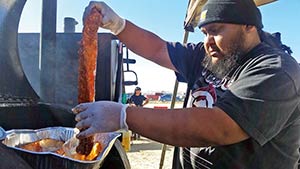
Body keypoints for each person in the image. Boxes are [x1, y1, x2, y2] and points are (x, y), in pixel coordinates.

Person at [73, 0, 300, 168]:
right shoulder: (209, 54)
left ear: (249, 26)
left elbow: (221, 127)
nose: (207, 42)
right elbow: (158, 49)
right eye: (204, 33)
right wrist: (118, 25)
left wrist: (124, 116)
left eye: (216, 31)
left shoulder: (277, 70)